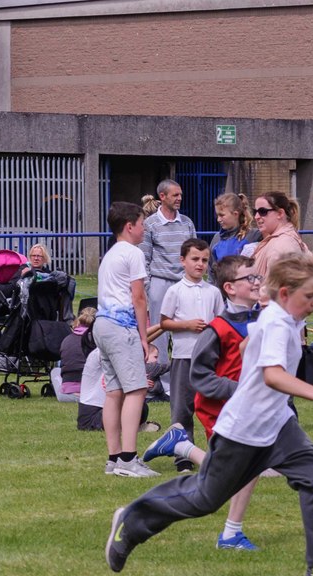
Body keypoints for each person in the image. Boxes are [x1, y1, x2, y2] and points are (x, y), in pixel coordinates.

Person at [106, 251, 313, 576]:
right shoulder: (276, 322)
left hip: (278, 425)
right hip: (244, 429)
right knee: (204, 498)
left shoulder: (280, 316)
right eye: (309, 296)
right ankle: (132, 520)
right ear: (285, 293)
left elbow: (245, 348)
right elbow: (272, 375)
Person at [143, 254, 265, 550]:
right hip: (218, 407)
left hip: (246, 406)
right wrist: (239, 388)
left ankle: (232, 533)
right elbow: (200, 378)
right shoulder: (219, 329)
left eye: (258, 277)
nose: (257, 283)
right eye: (250, 278)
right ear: (230, 288)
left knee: (247, 466)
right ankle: (181, 447)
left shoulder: (258, 318)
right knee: (227, 475)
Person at [97, 201, 157, 477]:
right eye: (142, 224)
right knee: (136, 390)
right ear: (130, 226)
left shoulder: (110, 254)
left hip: (102, 325)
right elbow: (139, 297)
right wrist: (144, 337)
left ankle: (113, 458)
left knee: (113, 392)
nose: (145, 229)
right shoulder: (133, 253)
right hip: (122, 327)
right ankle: (128, 459)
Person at [158, 237, 225, 472]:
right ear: (182, 261)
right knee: (181, 408)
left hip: (209, 358)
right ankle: (183, 455)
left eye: (204, 260)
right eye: (195, 259)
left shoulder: (213, 292)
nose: (200, 264)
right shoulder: (174, 291)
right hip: (183, 356)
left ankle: (218, 453)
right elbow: (164, 322)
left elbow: (221, 321)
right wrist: (186, 324)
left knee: (212, 406)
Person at [140, 180, 196, 398]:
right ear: (162, 197)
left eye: (180, 194)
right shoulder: (150, 224)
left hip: (184, 282)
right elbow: (144, 257)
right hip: (160, 282)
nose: (179, 198)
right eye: (175, 195)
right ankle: (163, 384)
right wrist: (148, 287)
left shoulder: (187, 222)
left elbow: (194, 254)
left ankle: (187, 381)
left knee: (188, 331)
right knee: (160, 333)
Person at [249, 191, 308, 279]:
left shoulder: (282, 245)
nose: (256, 216)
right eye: (255, 212)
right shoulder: (279, 240)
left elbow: (281, 285)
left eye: (262, 211)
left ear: (280, 213)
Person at [209, 193, 260, 278]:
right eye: (217, 215)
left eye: (222, 215)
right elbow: (211, 271)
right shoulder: (217, 239)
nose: (218, 219)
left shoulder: (254, 235)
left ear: (236, 214)